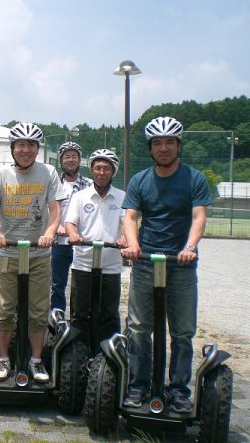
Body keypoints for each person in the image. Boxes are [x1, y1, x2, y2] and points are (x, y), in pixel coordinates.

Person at [120, 116, 213, 414]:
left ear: (177, 146)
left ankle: (179, 390)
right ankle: (138, 385)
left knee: (183, 331)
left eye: (169, 142)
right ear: (150, 147)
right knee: (138, 328)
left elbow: (199, 216)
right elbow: (131, 216)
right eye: (158, 143)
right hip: (147, 263)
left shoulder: (194, 178)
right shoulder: (140, 180)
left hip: (181, 265)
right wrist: (133, 244)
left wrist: (190, 247)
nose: (163, 148)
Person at [0, 122, 65, 382]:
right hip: (8, 253)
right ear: (13, 148)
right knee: (5, 309)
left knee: (38, 310)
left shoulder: (48, 172)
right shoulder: (0, 174)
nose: (26, 150)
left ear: (37, 148)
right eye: (21, 145)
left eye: (31, 145)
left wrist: (50, 233)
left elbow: (55, 209)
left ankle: (36, 360)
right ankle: (3, 358)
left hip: (38, 254)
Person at [65, 149, 126, 352]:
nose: (101, 172)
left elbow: (127, 223)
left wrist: (125, 237)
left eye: (106, 168)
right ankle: (78, 355)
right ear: (91, 170)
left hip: (111, 266)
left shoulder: (121, 197)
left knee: (109, 313)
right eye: (97, 168)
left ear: (113, 171)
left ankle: (108, 354)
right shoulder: (80, 197)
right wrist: (73, 234)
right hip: (83, 263)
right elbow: (70, 223)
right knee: (80, 313)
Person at [51, 142, 91, 312]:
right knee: (57, 284)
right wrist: (57, 227)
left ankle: (77, 318)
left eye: (74, 156)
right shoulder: (54, 183)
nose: (70, 160)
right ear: (61, 160)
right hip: (59, 242)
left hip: (80, 242)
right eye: (66, 156)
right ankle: (57, 318)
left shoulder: (89, 184)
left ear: (80, 160)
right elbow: (47, 208)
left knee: (80, 284)